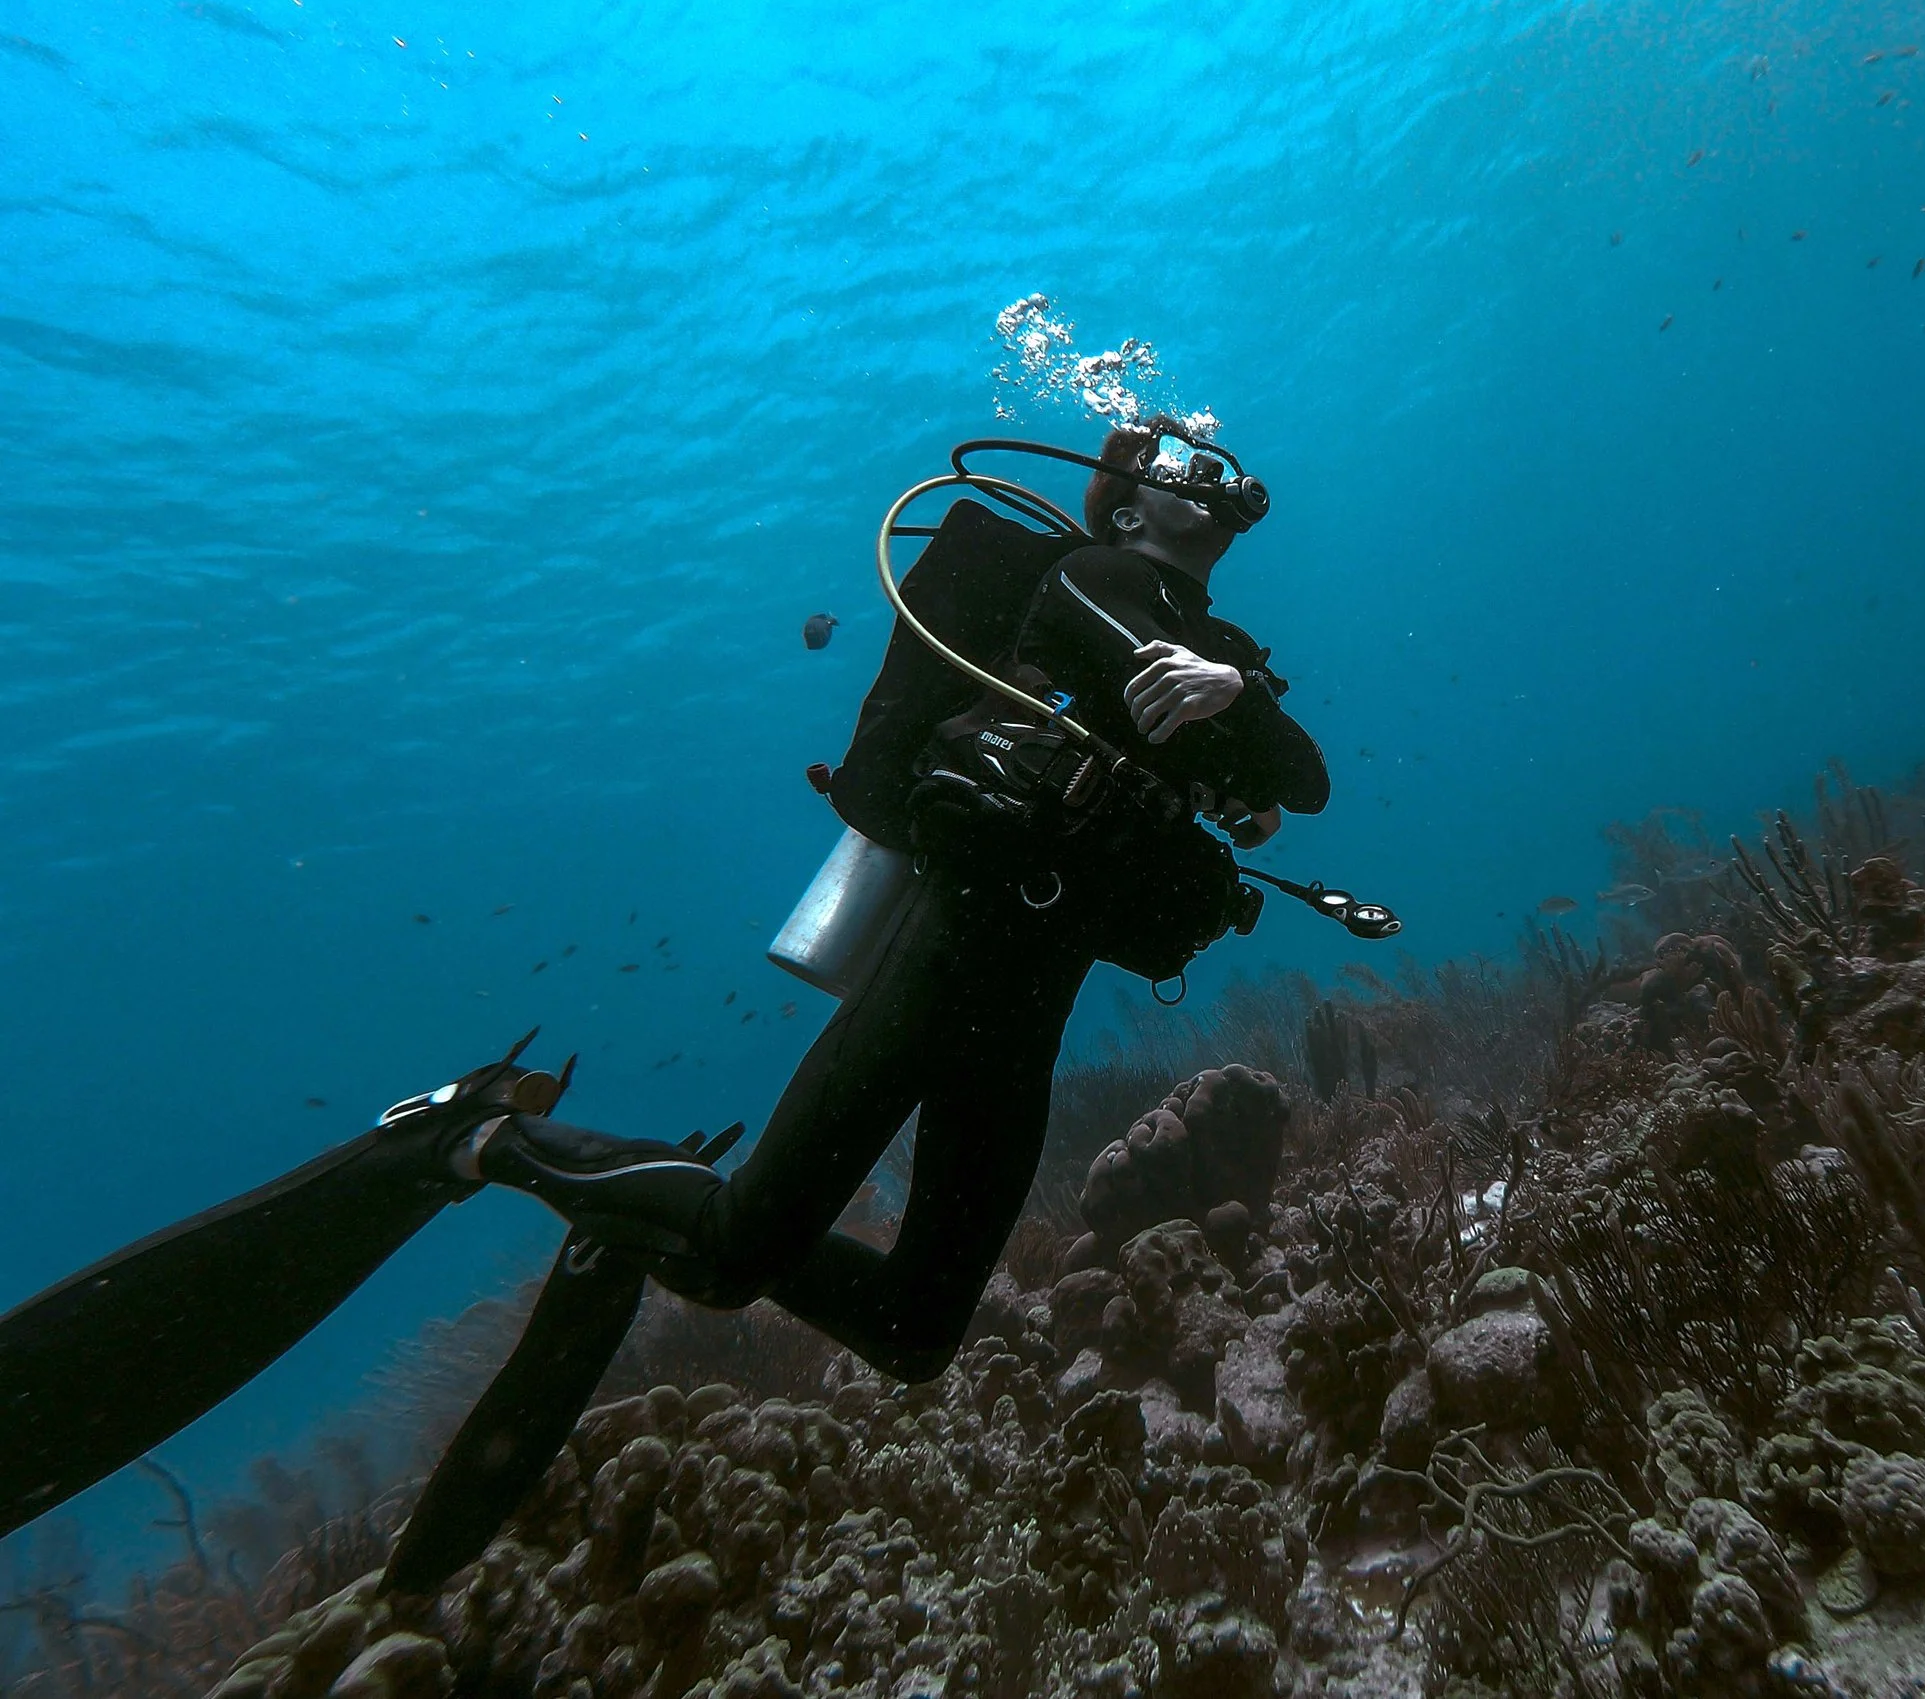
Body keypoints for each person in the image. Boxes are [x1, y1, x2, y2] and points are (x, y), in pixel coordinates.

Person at [0, 417, 1328, 1576]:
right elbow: (1270, 750)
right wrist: (1229, 702)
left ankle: (628, 1216)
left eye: (1218, 463)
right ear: (1131, 497)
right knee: (742, 1251)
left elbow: (1302, 778)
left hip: (1021, 1007)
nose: (1212, 477)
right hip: (953, 956)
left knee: (923, 1329)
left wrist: (1228, 694)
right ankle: (480, 1135)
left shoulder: (1208, 647)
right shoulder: (1094, 579)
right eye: (1181, 460)